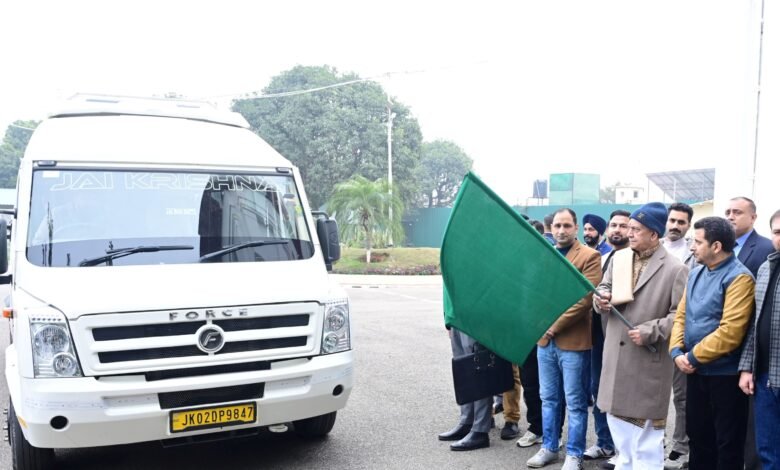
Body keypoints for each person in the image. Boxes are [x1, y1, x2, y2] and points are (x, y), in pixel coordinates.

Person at [593, 202, 688, 470]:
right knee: (621, 440)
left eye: (636, 229)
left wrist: (650, 331)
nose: (629, 233)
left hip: (647, 363)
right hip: (615, 360)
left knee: (646, 446)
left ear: (654, 235)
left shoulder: (675, 268)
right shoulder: (619, 258)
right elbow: (603, 287)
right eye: (629, 228)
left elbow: (680, 317)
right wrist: (599, 300)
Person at [670, 216, 755, 470]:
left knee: (726, 444)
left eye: (697, 242)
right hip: (694, 372)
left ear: (716, 246)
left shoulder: (740, 278)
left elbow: (730, 332)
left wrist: (692, 357)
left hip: (724, 376)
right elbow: (681, 316)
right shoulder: (695, 274)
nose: (692, 247)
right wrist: (676, 351)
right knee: (698, 438)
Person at [526, 208, 602, 470]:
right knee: (548, 398)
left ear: (576, 227)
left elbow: (583, 300)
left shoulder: (590, 257)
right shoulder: (543, 255)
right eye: (557, 225)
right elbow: (533, 293)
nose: (561, 230)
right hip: (544, 343)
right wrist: (539, 325)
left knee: (576, 401)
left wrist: (552, 327)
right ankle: (549, 447)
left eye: (567, 225)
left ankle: (574, 454)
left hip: (573, 342)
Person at [725, 196, 773, 470]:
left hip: (751, 345)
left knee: (755, 422)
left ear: (753, 217)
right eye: (728, 212)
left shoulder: (766, 248)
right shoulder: (720, 247)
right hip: (722, 349)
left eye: (738, 212)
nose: (731, 216)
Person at [584, 209, 630, 466]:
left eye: (624, 226)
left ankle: (624, 449)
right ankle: (604, 443)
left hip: (623, 337)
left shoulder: (633, 259)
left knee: (621, 394)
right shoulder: (603, 258)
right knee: (598, 389)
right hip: (598, 336)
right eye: (614, 225)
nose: (617, 230)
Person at [739, 209, 780, 469]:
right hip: (766, 377)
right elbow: (755, 323)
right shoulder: (766, 267)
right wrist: (746, 367)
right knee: (766, 450)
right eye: (777, 232)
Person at [659, 202, 696, 470]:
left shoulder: (695, 252)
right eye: (672, 220)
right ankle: (652, 443)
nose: (675, 226)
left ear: (688, 225)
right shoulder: (653, 247)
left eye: (681, 222)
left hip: (680, 336)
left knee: (681, 397)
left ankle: (680, 446)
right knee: (650, 393)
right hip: (651, 333)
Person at [439, 327, 493, 451]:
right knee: (463, 367)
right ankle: (467, 421)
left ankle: (480, 429)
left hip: (473, 315)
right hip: (456, 315)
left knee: (477, 365)